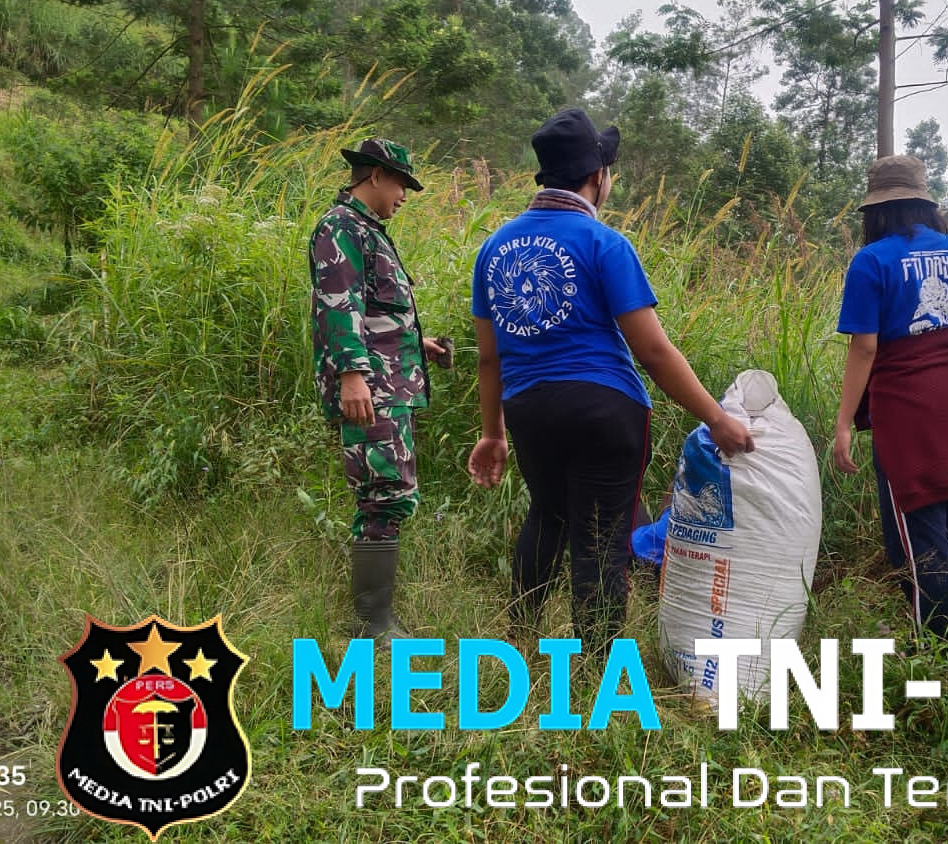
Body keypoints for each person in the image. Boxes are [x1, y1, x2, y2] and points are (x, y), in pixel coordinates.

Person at [466, 107, 754, 657]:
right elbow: (652, 349)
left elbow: (488, 358)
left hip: (528, 408)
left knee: (547, 515)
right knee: (600, 536)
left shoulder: (492, 249)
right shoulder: (604, 244)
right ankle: (597, 669)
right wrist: (716, 420)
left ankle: (519, 637)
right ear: (597, 176)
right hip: (604, 409)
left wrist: (493, 432)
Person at [832, 155, 948, 641]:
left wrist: (844, 423)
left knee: (921, 536)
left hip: (906, 409)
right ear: (924, 203)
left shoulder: (871, 262)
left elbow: (865, 347)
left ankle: (933, 653)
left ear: (878, 210)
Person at [309, 137, 448, 639]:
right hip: (371, 388)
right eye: (401, 184)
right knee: (383, 493)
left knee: (392, 491)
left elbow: (373, 310)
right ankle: (372, 624)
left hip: (389, 381)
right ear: (374, 177)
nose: (405, 196)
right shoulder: (341, 227)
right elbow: (337, 304)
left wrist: (416, 342)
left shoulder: (368, 231)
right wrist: (351, 373)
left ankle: (376, 617)